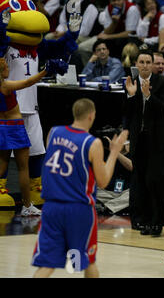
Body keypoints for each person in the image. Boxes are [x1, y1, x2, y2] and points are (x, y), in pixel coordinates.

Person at [31, 98, 128, 278]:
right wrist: (114, 152)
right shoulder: (92, 143)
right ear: (91, 116)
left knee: (46, 265)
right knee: (87, 262)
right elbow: (103, 181)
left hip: (51, 208)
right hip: (78, 209)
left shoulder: (53, 132)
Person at [0, 56, 67, 216]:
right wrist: (45, 70)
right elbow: (27, 83)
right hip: (15, 128)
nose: (9, 69)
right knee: (23, 168)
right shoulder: (6, 85)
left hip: (1, 127)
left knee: (1, 167)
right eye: (6, 67)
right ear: (2, 72)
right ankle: (27, 205)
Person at [123, 48, 164, 236]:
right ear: (136, 64)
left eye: (147, 62)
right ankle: (138, 220)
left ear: (152, 64)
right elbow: (126, 112)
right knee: (138, 181)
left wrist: (148, 96)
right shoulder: (131, 82)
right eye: (141, 62)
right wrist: (130, 95)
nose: (144, 66)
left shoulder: (163, 82)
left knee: (154, 181)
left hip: (157, 139)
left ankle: (156, 222)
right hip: (138, 138)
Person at [78, 0, 141, 65]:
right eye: (114, 0)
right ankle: (90, 71)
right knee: (82, 48)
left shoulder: (131, 9)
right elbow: (107, 31)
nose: (116, 3)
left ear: (123, 0)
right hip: (111, 38)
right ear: (110, 1)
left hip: (128, 40)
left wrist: (109, 37)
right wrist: (114, 23)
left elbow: (129, 33)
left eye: (119, 0)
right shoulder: (109, 8)